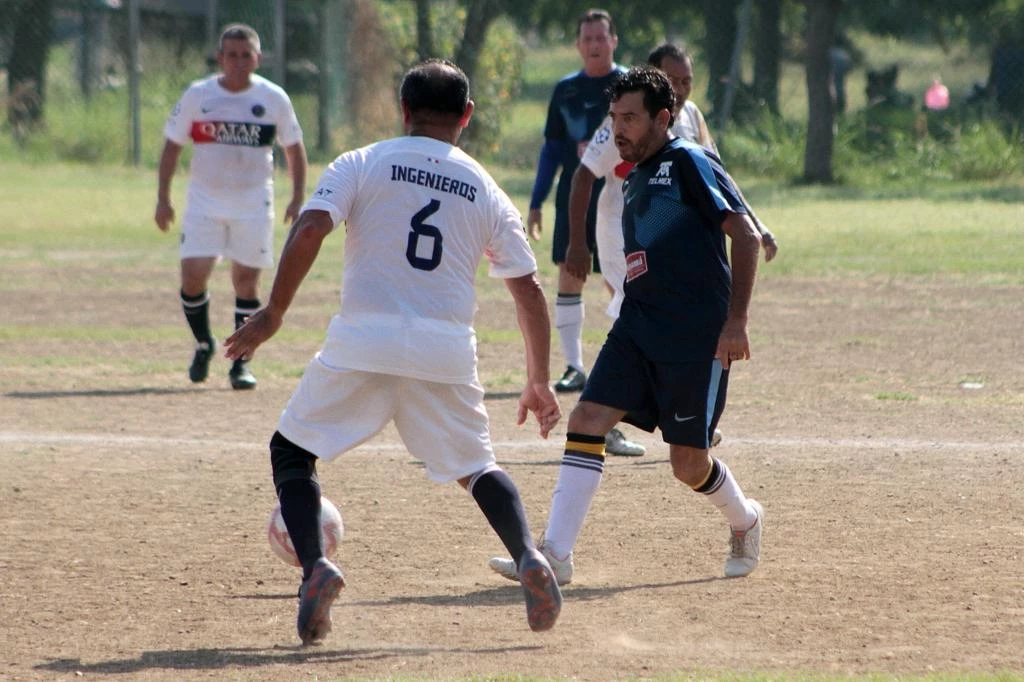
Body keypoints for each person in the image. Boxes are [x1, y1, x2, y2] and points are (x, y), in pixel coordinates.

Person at [224, 59, 563, 644]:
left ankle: (316, 568)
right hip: (445, 350)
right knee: (477, 465)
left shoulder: (364, 160)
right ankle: (530, 555)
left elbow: (310, 227)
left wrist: (275, 310)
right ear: (467, 117)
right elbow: (528, 287)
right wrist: (538, 379)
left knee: (291, 451)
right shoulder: (483, 185)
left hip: (365, 341)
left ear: (403, 110)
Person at [490, 66, 764, 587]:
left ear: (664, 118)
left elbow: (745, 236)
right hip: (637, 324)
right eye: (615, 117)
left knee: (687, 465)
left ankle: (745, 518)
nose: (619, 129)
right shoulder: (634, 172)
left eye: (631, 118)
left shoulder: (689, 160)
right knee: (587, 418)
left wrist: (736, 322)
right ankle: (555, 555)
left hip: (695, 337)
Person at [565, 44, 778, 455]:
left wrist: (758, 224)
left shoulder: (690, 121)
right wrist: (579, 243)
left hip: (677, 244)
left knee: (651, 322)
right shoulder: (625, 122)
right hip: (624, 234)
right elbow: (583, 176)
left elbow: (723, 184)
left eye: (687, 81)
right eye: (673, 81)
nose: (680, 89)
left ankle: (683, 414)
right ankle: (610, 413)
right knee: (634, 319)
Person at [155, 23, 307, 390]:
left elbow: (294, 148)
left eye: (246, 55)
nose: (238, 62)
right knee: (192, 276)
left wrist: (297, 196)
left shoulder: (273, 98)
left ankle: (241, 361)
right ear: (220, 58)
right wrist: (163, 197)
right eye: (231, 55)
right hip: (204, 202)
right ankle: (203, 343)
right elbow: (173, 145)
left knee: (246, 281)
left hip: (254, 201)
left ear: (257, 58)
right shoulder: (198, 95)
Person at [527, 9, 625, 396]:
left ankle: (629, 360)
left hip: (618, 196)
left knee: (619, 278)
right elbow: (551, 150)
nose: (594, 45)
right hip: (574, 195)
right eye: (587, 39)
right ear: (577, 45)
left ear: (614, 41)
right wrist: (536, 202)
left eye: (601, 37)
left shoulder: (629, 84)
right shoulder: (565, 90)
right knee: (570, 272)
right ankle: (574, 366)